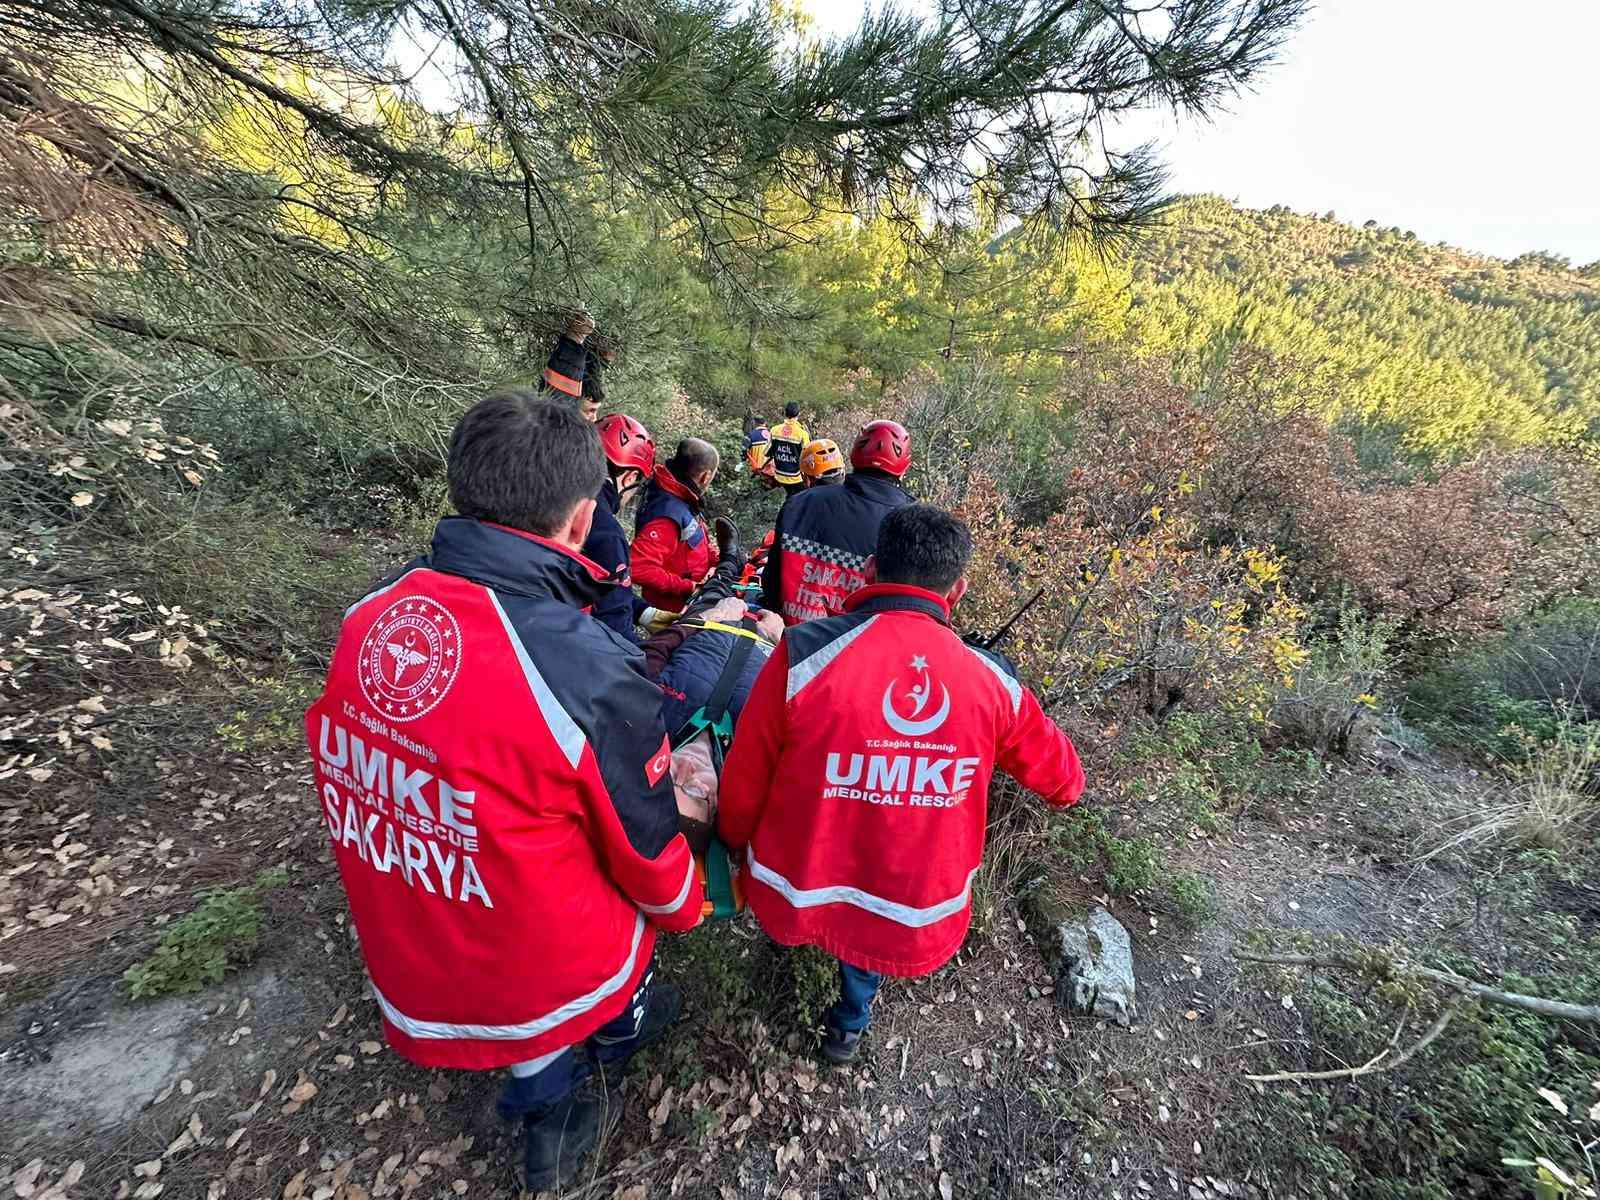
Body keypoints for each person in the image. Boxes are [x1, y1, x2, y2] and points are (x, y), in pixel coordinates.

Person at [304, 391, 703, 1191]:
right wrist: (686, 906)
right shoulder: (583, 668)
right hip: (531, 959)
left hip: (409, 929)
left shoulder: (371, 614)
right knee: (621, 921)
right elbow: (645, 848)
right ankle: (565, 1094)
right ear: (582, 517)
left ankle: (547, 1083)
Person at [718, 505, 1085, 1065]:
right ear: (956, 590)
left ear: (868, 570)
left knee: (806, 919)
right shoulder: (992, 681)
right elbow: (1066, 781)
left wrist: (734, 843)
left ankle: (788, 967)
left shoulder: (802, 653)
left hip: (795, 884)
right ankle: (847, 1028)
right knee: (865, 946)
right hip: (908, 906)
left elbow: (745, 778)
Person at [762, 419, 913, 625]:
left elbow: (771, 586)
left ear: (853, 456)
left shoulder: (800, 503)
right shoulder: (911, 525)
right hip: (855, 647)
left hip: (789, 636)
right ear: (905, 468)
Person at [631, 438, 726, 615]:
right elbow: (638, 568)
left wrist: (718, 559)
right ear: (705, 476)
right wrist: (687, 586)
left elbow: (692, 539)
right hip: (673, 609)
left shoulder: (679, 494)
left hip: (690, 596)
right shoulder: (667, 513)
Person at [585, 412, 656, 644]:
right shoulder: (606, 532)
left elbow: (599, 587)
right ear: (629, 477)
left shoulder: (551, 494)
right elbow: (614, 628)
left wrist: (644, 612)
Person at [768, 401, 810, 494]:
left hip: (779, 475)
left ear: (784, 413)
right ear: (798, 414)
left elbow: (767, 453)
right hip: (796, 477)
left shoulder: (774, 430)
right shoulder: (802, 433)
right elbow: (807, 457)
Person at [744, 425, 779, 489]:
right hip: (770, 473)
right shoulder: (772, 435)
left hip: (756, 471)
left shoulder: (751, 435)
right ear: (765, 424)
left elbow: (743, 450)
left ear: (755, 423)